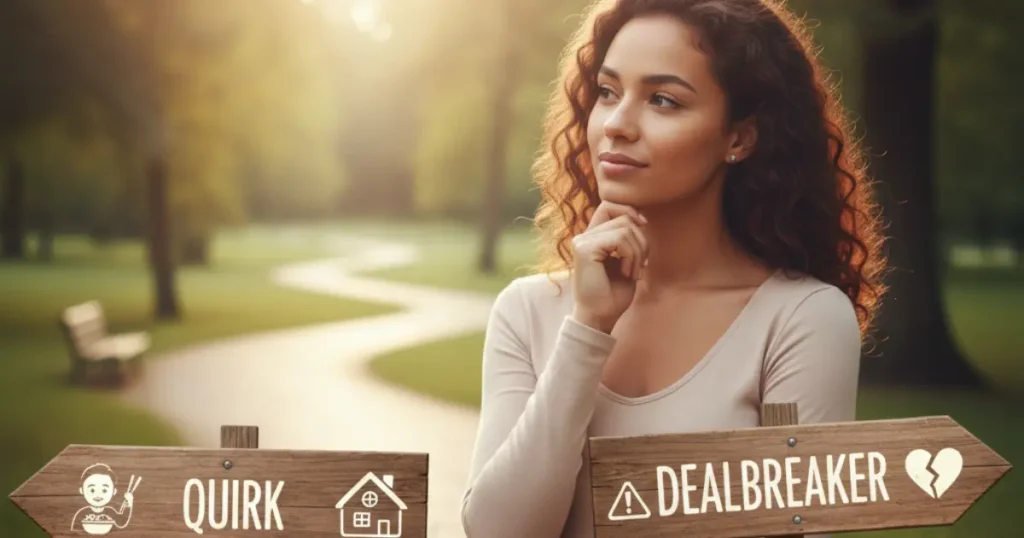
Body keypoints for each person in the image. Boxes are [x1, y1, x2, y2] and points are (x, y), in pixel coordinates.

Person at [460, 0, 888, 536]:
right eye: (607, 92)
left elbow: (798, 527)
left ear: (739, 138)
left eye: (663, 100)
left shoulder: (801, 320)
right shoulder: (527, 312)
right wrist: (586, 330)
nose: (617, 125)